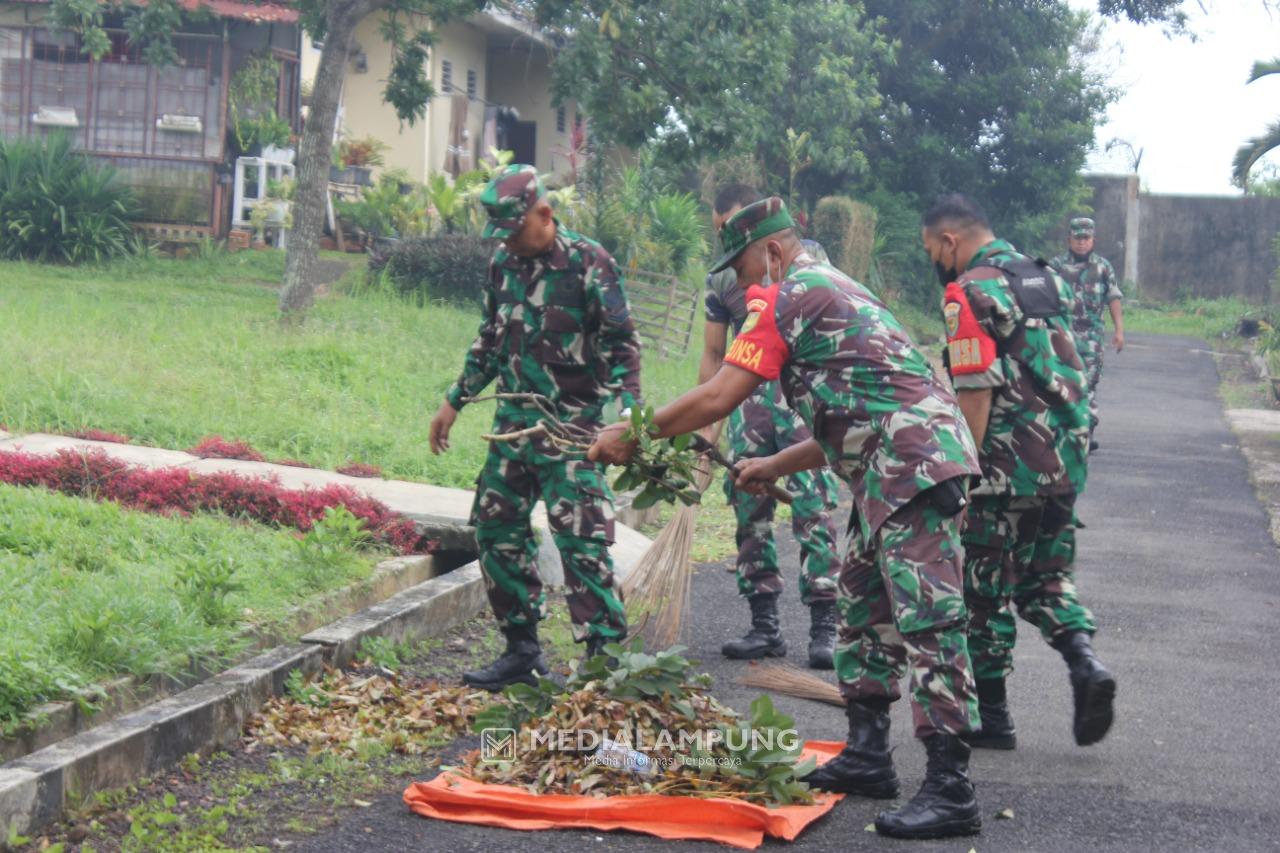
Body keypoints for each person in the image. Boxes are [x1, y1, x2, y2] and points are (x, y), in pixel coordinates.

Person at [591, 198, 985, 840]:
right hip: (890, 465)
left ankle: (951, 788)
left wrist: (630, 437)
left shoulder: (788, 296)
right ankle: (866, 756)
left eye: (745, 270)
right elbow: (856, 408)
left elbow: (720, 393)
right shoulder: (831, 289)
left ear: (773, 252)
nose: (743, 287)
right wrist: (774, 463)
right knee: (864, 608)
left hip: (913, 466)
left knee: (928, 623)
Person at [429, 164, 642, 691]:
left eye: (514, 229)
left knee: (581, 539)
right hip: (515, 427)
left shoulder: (590, 263)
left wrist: (630, 417)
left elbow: (622, 346)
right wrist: (455, 399)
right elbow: (490, 339)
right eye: (499, 233)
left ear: (544, 214)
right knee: (495, 530)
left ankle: (603, 664)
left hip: (575, 430)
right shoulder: (504, 262)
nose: (507, 242)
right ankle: (522, 651)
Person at [924, 194, 1116, 752]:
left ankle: (994, 718)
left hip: (1005, 467)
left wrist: (959, 471)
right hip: (1065, 455)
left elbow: (976, 390)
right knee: (1046, 576)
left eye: (933, 248)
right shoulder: (1043, 276)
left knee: (980, 590)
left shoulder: (971, 291)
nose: (935, 259)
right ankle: (1085, 662)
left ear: (950, 241)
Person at [700, 183, 841, 668]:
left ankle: (825, 626)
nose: (729, 244)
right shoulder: (721, 282)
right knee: (748, 501)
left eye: (736, 231)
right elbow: (715, 355)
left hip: (799, 395)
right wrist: (708, 429)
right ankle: (764, 625)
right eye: (721, 233)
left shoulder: (807, 261)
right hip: (750, 398)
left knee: (812, 503)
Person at [1049, 217, 1125, 451]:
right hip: (1062, 334)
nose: (1081, 243)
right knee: (1060, 382)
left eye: (1086, 238)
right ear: (1068, 239)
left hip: (1091, 338)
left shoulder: (1102, 267)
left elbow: (1113, 298)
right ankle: (1061, 430)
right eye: (1077, 238)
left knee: (1089, 384)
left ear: (1093, 240)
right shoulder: (1056, 266)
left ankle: (1087, 432)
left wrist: (1119, 330)